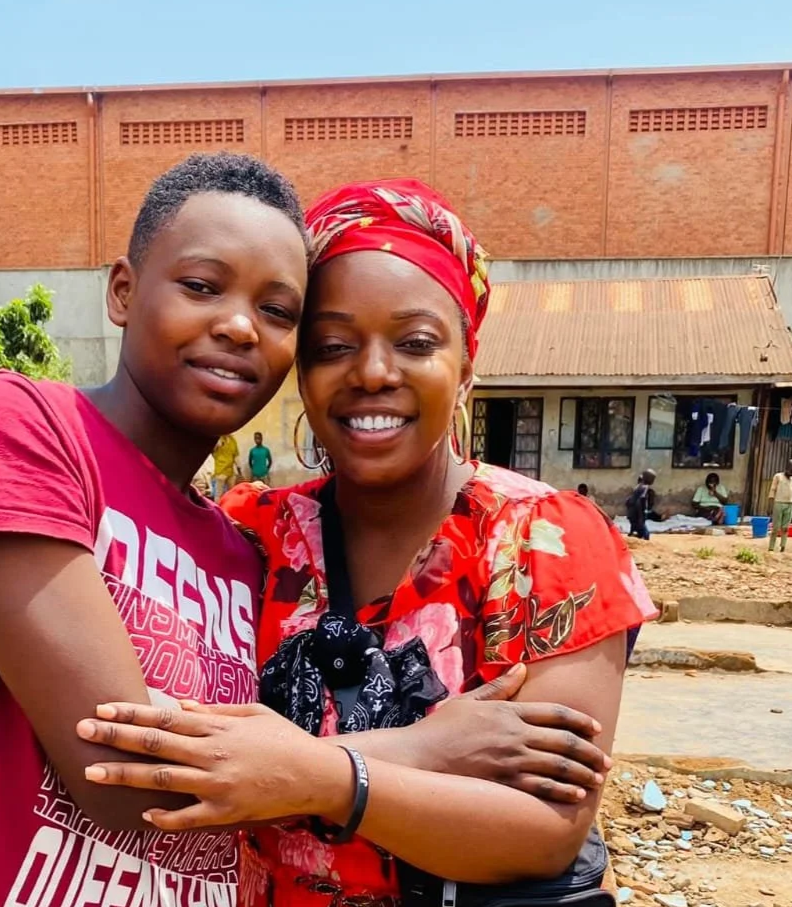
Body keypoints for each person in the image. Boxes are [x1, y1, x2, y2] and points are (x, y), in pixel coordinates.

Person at [77, 179, 656, 904]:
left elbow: (545, 829)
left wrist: (319, 776)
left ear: (466, 366)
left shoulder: (544, 541)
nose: (373, 372)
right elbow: (176, 753)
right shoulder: (248, 534)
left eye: (414, 342)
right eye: (334, 345)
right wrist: (422, 752)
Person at [0, 153, 313, 907]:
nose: (241, 325)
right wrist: (408, 761)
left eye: (277, 311)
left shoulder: (244, 555)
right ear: (122, 291)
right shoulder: (19, 428)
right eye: (202, 286)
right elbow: (121, 775)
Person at [767, 458, 792, 552]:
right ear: (787, 468)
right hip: (778, 503)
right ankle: (771, 547)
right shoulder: (778, 476)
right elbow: (772, 490)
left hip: (789, 504)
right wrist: (770, 505)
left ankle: (783, 546)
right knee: (775, 527)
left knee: (785, 527)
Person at [626, 469, 658, 540]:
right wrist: (642, 511)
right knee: (642, 527)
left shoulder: (638, 486)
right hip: (638, 510)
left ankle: (634, 535)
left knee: (635, 525)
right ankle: (645, 539)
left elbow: (630, 500)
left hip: (632, 510)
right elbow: (642, 498)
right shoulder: (645, 487)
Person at [211, 432, 241, 499]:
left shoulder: (233, 440)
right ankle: (217, 508)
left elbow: (236, 455)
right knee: (219, 494)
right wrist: (217, 445)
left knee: (231, 494)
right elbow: (212, 451)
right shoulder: (218, 439)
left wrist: (239, 471)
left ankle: (229, 508)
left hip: (230, 471)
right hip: (221, 471)